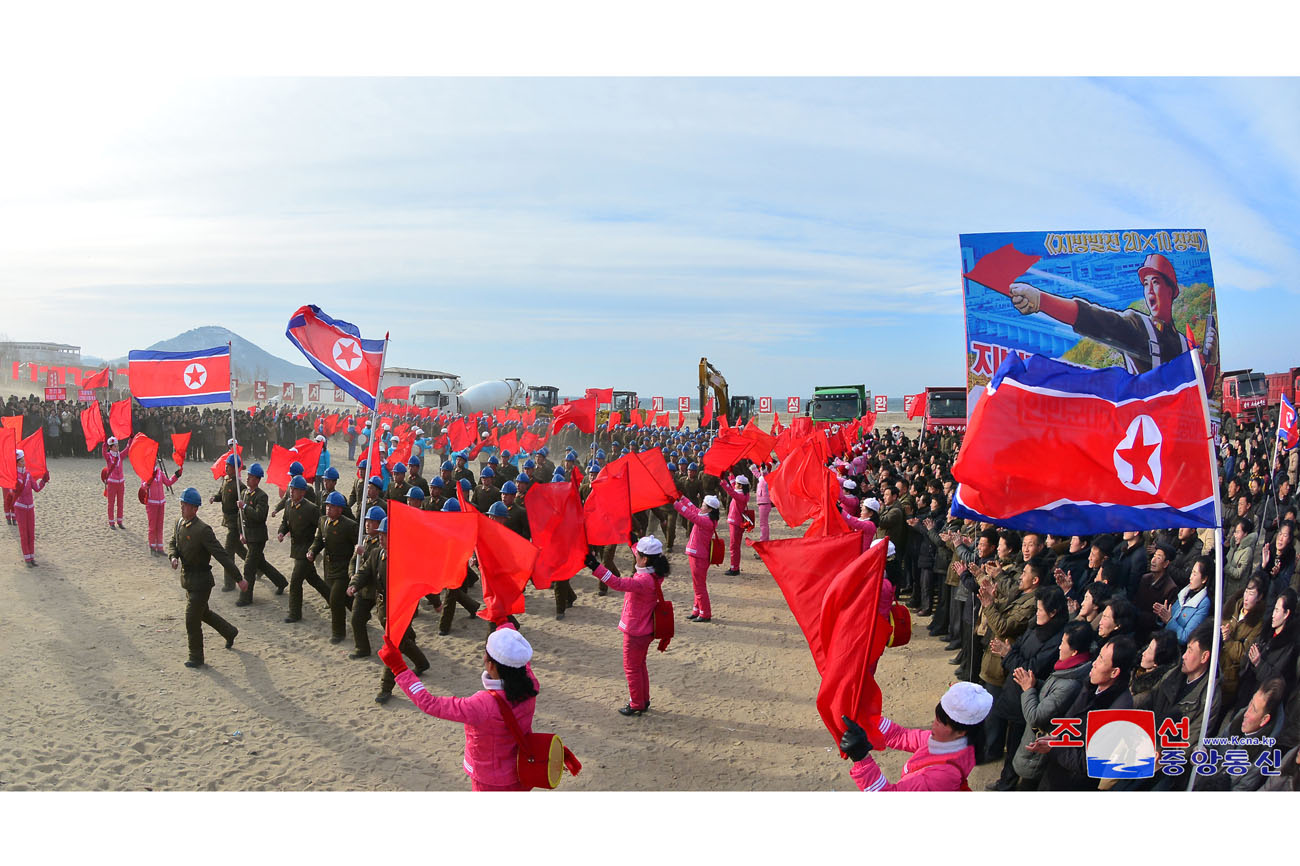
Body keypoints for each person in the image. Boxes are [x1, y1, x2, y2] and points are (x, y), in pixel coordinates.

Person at [380, 624, 539, 791]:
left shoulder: (483, 704)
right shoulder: (531, 685)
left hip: (490, 780)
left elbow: (430, 703)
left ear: (491, 665)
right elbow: (522, 664)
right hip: (522, 771)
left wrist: (399, 669)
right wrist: (507, 631)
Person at [1007, 252, 1216, 378]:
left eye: (1156, 283)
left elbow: (1201, 390)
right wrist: (1042, 300)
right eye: (1146, 284)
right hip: (1142, 432)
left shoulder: (1182, 343)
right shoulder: (1138, 327)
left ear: (1171, 291)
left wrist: (1212, 362)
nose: (1149, 290)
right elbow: (1094, 319)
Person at [839, 681, 992, 791]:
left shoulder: (939, 777)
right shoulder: (955, 743)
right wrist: (867, 720)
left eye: (940, 722)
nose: (933, 724)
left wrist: (862, 759)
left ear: (961, 732)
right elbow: (900, 735)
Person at [1031, 636, 1138, 790]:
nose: (1094, 663)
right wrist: (1056, 736)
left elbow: (1090, 762)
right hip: (1057, 771)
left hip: (1074, 783)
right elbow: (1072, 719)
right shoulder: (1093, 685)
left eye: (1101, 660)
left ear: (1115, 672)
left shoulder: (1118, 710)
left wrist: (1055, 747)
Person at [584, 535, 668, 716]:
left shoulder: (643, 580)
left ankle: (637, 702)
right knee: (639, 666)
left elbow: (617, 583)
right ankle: (643, 699)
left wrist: (595, 567)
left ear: (644, 559)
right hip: (646, 629)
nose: (635, 555)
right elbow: (640, 554)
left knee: (631, 668)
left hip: (636, 631)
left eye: (638, 554)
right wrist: (633, 542)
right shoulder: (655, 572)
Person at [167, 487, 246, 668]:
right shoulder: (179, 523)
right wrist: (173, 556)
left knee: (191, 618)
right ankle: (230, 632)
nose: (182, 507)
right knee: (203, 614)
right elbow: (173, 542)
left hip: (202, 582)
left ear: (195, 508)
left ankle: (196, 656)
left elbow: (222, 555)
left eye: (185, 505)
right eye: (181, 503)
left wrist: (238, 578)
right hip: (188, 580)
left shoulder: (203, 530)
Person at [1010, 620, 1094, 788]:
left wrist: (1028, 689)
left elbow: (1035, 717)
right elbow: (1052, 693)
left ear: (1074, 651)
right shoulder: (1069, 669)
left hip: (1039, 751)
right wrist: (1037, 684)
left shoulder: (1071, 682)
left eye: (1063, 643)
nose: (1059, 647)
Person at [1230, 588, 1299, 718]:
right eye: (1274, 609)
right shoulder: (1266, 632)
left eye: (1277, 611)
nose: (1273, 615)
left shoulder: (1290, 647)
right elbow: (1247, 656)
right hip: (1245, 691)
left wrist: (1259, 663)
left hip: (1259, 703)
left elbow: (1277, 680)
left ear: (1286, 614)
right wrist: (1249, 657)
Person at [277, 475, 330, 623]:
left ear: (302, 492)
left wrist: (315, 547)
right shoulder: (288, 504)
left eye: (295, 490)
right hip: (296, 548)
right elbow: (285, 522)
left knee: (295, 581)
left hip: (306, 550)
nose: (292, 492)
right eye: (291, 489)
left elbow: (321, 527)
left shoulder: (311, 509)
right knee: (314, 580)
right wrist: (281, 531)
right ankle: (335, 600)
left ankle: (295, 613)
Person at [310, 491, 359, 645]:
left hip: (344, 567)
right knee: (342, 597)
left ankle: (338, 632)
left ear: (340, 509)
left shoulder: (349, 526)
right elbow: (319, 540)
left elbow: (357, 544)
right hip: (329, 566)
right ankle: (359, 613)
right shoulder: (323, 521)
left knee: (335, 599)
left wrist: (358, 551)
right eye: (327, 506)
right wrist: (312, 550)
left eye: (332, 507)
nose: (328, 509)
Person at [236, 463, 288, 605]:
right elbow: (239, 516)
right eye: (248, 477)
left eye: (251, 477)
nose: (248, 479)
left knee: (249, 567)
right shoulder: (244, 493)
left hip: (258, 537)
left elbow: (259, 516)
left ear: (257, 480)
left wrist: (245, 506)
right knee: (261, 563)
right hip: (248, 534)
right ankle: (281, 581)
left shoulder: (262, 496)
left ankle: (246, 597)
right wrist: (240, 533)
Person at [347, 505, 393, 659]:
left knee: (387, 623)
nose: (367, 524)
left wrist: (364, 552)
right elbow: (356, 562)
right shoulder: (365, 539)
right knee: (356, 618)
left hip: (378, 589)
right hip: (364, 588)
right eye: (367, 520)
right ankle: (362, 648)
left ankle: (408, 638)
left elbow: (376, 562)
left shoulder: (382, 544)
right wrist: (353, 578)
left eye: (372, 522)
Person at [1218, 574, 1268, 706]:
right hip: (1214, 661)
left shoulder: (1257, 625)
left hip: (1229, 676)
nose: (1246, 597)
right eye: (1246, 591)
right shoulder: (1232, 606)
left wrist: (1228, 640)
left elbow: (1244, 655)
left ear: (1260, 597)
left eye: (1251, 594)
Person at [674, 493, 722, 622]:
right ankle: (697, 610)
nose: (701, 506)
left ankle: (705, 613)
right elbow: (692, 508)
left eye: (703, 505)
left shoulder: (706, 521)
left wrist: (675, 504)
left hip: (698, 556)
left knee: (699, 586)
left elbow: (690, 515)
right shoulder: (705, 516)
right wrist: (682, 498)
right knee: (698, 585)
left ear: (710, 509)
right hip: (696, 555)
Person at [1154, 554, 1212, 644]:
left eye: (1195, 574)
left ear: (1204, 579)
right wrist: (1162, 614)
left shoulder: (1204, 604)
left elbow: (1185, 637)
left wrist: (1169, 620)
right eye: (1192, 572)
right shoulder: (1185, 592)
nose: (1190, 577)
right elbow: (1169, 616)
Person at [210, 454, 248, 591]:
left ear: (236, 468)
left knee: (227, 554)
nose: (226, 467)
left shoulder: (240, 486)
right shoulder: (225, 480)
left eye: (229, 466)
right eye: (226, 465)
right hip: (227, 521)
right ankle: (259, 567)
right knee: (240, 551)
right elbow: (221, 495)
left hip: (234, 524)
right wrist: (215, 498)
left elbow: (243, 506)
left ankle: (230, 583)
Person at [11, 450, 48, 566]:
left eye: (23, 460)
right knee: (24, 533)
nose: (24, 463)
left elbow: (36, 488)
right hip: (20, 508)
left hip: (30, 507)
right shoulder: (14, 476)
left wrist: (44, 480)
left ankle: (32, 557)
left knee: (31, 533)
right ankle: (27, 559)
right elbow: (13, 492)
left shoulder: (27, 474)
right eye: (21, 461)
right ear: (17, 463)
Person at [1129, 629, 1180, 710]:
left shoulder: (1149, 693)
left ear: (1157, 662)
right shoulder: (1135, 669)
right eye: (1147, 647)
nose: (1143, 653)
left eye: (1149, 651)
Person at [141, 460, 182, 555]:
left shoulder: (159, 471)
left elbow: (168, 482)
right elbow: (143, 487)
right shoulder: (146, 472)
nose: (155, 460)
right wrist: (148, 481)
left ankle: (159, 548)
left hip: (161, 503)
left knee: (159, 526)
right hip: (151, 504)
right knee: (152, 527)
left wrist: (177, 475)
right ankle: (152, 547)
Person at [718, 473, 750, 576]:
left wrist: (723, 481)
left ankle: (734, 568)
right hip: (736, 523)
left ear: (740, 486)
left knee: (734, 546)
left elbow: (731, 491)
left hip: (736, 523)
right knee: (735, 546)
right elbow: (732, 488)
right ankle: (734, 566)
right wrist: (731, 475)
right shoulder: (743, 493)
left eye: (737, 483)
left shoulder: (740, 496)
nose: (735, 484)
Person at [103, 436, 126, 529]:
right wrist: (104, 444)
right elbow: (104, 452)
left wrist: (131, 439)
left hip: (121, 482)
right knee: (111, 503)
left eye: (117, 446)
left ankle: (120, 521)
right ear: (110, 447)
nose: (117, 448)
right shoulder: (108, 456)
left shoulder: (120, 455)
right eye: (115, 446)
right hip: (112, 483)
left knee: (120, 503)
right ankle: (111, 522)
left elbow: (127, 449)